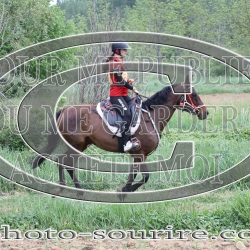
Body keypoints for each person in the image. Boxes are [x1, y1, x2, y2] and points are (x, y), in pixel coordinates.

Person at [107, 40, 140, 152]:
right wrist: (132, 88)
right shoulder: (114, 62)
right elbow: (120, 81)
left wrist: (128, 81)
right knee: (126, 114)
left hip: (123, 94)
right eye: (124, 50)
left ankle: (131, 137)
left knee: (134, 109)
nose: (126, 51)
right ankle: (125, 143)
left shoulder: (118, 61)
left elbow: (121, 79)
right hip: (116, 95)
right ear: (117, 50)